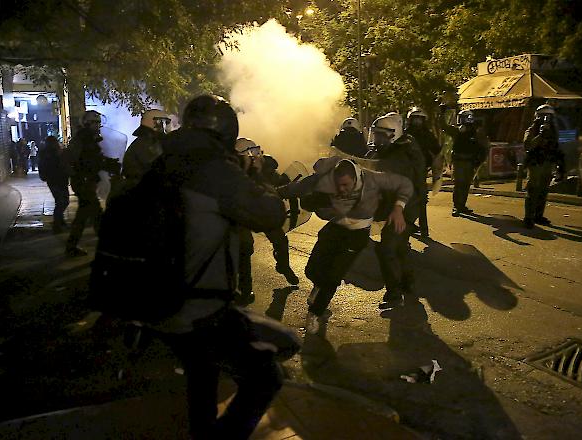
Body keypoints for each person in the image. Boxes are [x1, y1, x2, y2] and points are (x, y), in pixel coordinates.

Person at [150, 95, 301, 439]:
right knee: (268, 373)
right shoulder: (216, 169)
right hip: (199, 306)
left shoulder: (164, 160)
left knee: (201, 378)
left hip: (159, 297)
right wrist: (256, 176)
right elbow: (270, 214)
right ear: (227, 131)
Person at [279, 156, 413, 334]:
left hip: (357, 234)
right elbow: (297, 188)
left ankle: (314, 313)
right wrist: (272, 193)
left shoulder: (373, 179)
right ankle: (318, 286)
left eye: (346, 186)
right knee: (311, 270)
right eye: (338, 186)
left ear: (357, 179)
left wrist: (398, 208)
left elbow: (405, 185)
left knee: (334, 275)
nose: (341, 190)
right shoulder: (325, 179)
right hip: (335, 227)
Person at [366, 112, 426, 307]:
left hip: (403, 209)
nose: (377, 139)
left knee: (386, 249)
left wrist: (397, 209)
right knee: (400, 247)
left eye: (381, 135)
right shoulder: (394, 150)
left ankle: (394, 294)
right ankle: (408, 283)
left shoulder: (400, 156)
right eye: (375, 134)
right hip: (404, 207)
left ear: (393, 135)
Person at [234, 138, 299, 305]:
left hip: (261, 210)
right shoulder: (233, 170)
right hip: (242, 211)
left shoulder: (266, 167)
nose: (258, 155)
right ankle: (245, 290)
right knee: (244, 246)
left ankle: (283, 266)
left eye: (257, 151)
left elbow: (280, 185)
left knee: (280, 240)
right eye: (253, 153)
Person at [64, 110, 121, 257]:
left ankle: (72, 246)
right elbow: (87, 162)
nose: (97, 126)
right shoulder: (83, 139)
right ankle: (107, 247)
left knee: (83, 216)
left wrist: (109, 163)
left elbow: (95, 159)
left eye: (98, 123)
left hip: (86, 181)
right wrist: (105, 164)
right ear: (87, 124)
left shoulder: (89, 139)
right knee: (96, 214)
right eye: (94, 123)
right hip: (83, 181)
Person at [439, 109, 489, 216]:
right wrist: (442, 112)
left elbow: (483, 147)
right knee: (459, 184)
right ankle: (457, 206)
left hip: (470, 162)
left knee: (465, 185)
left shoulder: (475, 132)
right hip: (459, 161)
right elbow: (443, 126)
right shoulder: (457, 131)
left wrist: (479, 161)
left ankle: (461, 205)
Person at [522, 104, 565, 228]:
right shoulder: (532, 130)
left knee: (543, 191)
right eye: (543, 116)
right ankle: (528, 217)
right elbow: (528, 145)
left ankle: (538, 215)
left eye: (548, 116)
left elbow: (557, 148)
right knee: (533, 190)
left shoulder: (554, 131)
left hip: (548, 163)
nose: (546, 119)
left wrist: (560, 166)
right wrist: (540, 135)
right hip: (535, 163)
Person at [405, 106, 442, 237]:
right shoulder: (404, 134)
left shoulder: (427, 134)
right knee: (406, 199)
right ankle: (408, 225)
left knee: (422, 199)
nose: (417, 122)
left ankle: (424, 229)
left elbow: (437, 150)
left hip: (421, 172)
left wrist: (435, 167)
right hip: (406, 171)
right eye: (415, 119)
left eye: (419, 120)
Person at [121, 109, 171, 183]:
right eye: (163, 123)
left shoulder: (145, 141)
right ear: (156, 123)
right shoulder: (146, 143)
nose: (165, 127)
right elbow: (158, 167)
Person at [38, 136, 70, 233]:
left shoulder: (46, 153)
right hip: (57, 180)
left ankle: (60, 221)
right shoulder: (53, 153)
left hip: (54, 181)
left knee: (60, 201)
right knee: (62, 201)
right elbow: (59, 166)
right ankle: (57, 224)